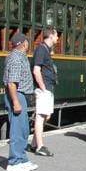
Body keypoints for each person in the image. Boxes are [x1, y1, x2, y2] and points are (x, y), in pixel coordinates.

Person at [3, 33, 38, 171]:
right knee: (18, 129)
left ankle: (22, 159)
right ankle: (14, 161)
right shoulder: (16, 58)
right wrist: (16, 102)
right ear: (23, 44)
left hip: (20, 94)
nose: (29, 44)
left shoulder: (19, 57)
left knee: (23, 129)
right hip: (17, 94)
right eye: (27, 42)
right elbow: (12, 83)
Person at [30, 27, 58, 157]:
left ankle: (34, 143)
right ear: (51, 36)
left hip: (47, 87)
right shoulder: (41, 49)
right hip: (44, 88)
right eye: (57, 35)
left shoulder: (46, 50)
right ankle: (40, 146)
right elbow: (36, 70)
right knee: (41, 116)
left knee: (47, 115)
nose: (58, 38)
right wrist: (43, 88)